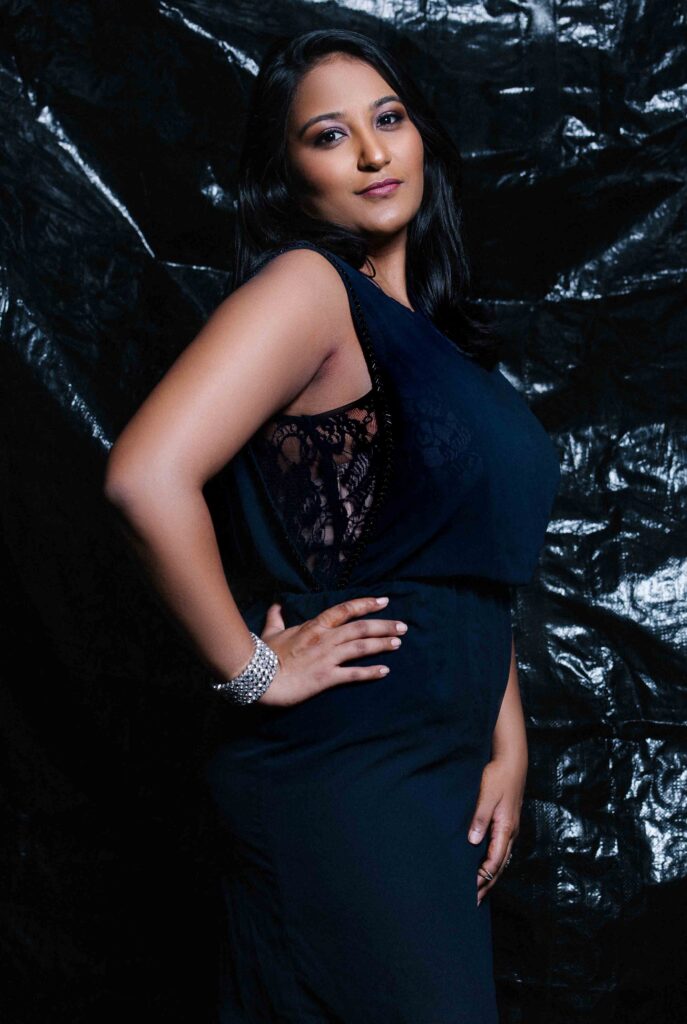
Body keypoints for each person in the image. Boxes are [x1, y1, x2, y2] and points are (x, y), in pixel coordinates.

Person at [103, 28, 561, 1024]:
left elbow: (468, 564)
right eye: (328, 134)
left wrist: (507, 740)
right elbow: (145, 477)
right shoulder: (309, 290)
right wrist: (252, 670)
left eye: (387, 118)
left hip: (437, 774)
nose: (371, 151)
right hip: (347, 767)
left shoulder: (443, 351)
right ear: (287, 175)